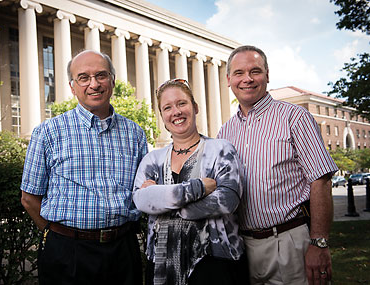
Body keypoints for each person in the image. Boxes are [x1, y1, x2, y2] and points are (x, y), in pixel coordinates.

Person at [20, 50, 147, 285]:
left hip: (123, 251)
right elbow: (29, 199)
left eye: (101, 75)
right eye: (84, 77)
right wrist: (58, 234)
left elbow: (143, 191)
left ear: (112, 81)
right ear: (72, 86)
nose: (94, 84)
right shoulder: (48, 132)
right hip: (67, 253)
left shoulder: (135, 134)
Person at [217, 45, 339, 285]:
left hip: (290, 243)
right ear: (229, 80)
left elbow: (321, 181)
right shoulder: (225, 131)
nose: (248, 79)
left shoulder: (294, 117)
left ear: (267, 75)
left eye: (255, 71)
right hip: (244, 247)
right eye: (239, 73)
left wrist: (319, 242)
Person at [133, 78, 249, 285]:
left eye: (181, 103)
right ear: (162, 116)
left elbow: (228, 199)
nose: (175, 112)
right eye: (167, 107)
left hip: (215, 262)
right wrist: (200, 187)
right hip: (162, 265)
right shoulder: (153, 159)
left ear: (195, 107)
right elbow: (141, 201)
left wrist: (164, 201)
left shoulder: (221, 150)